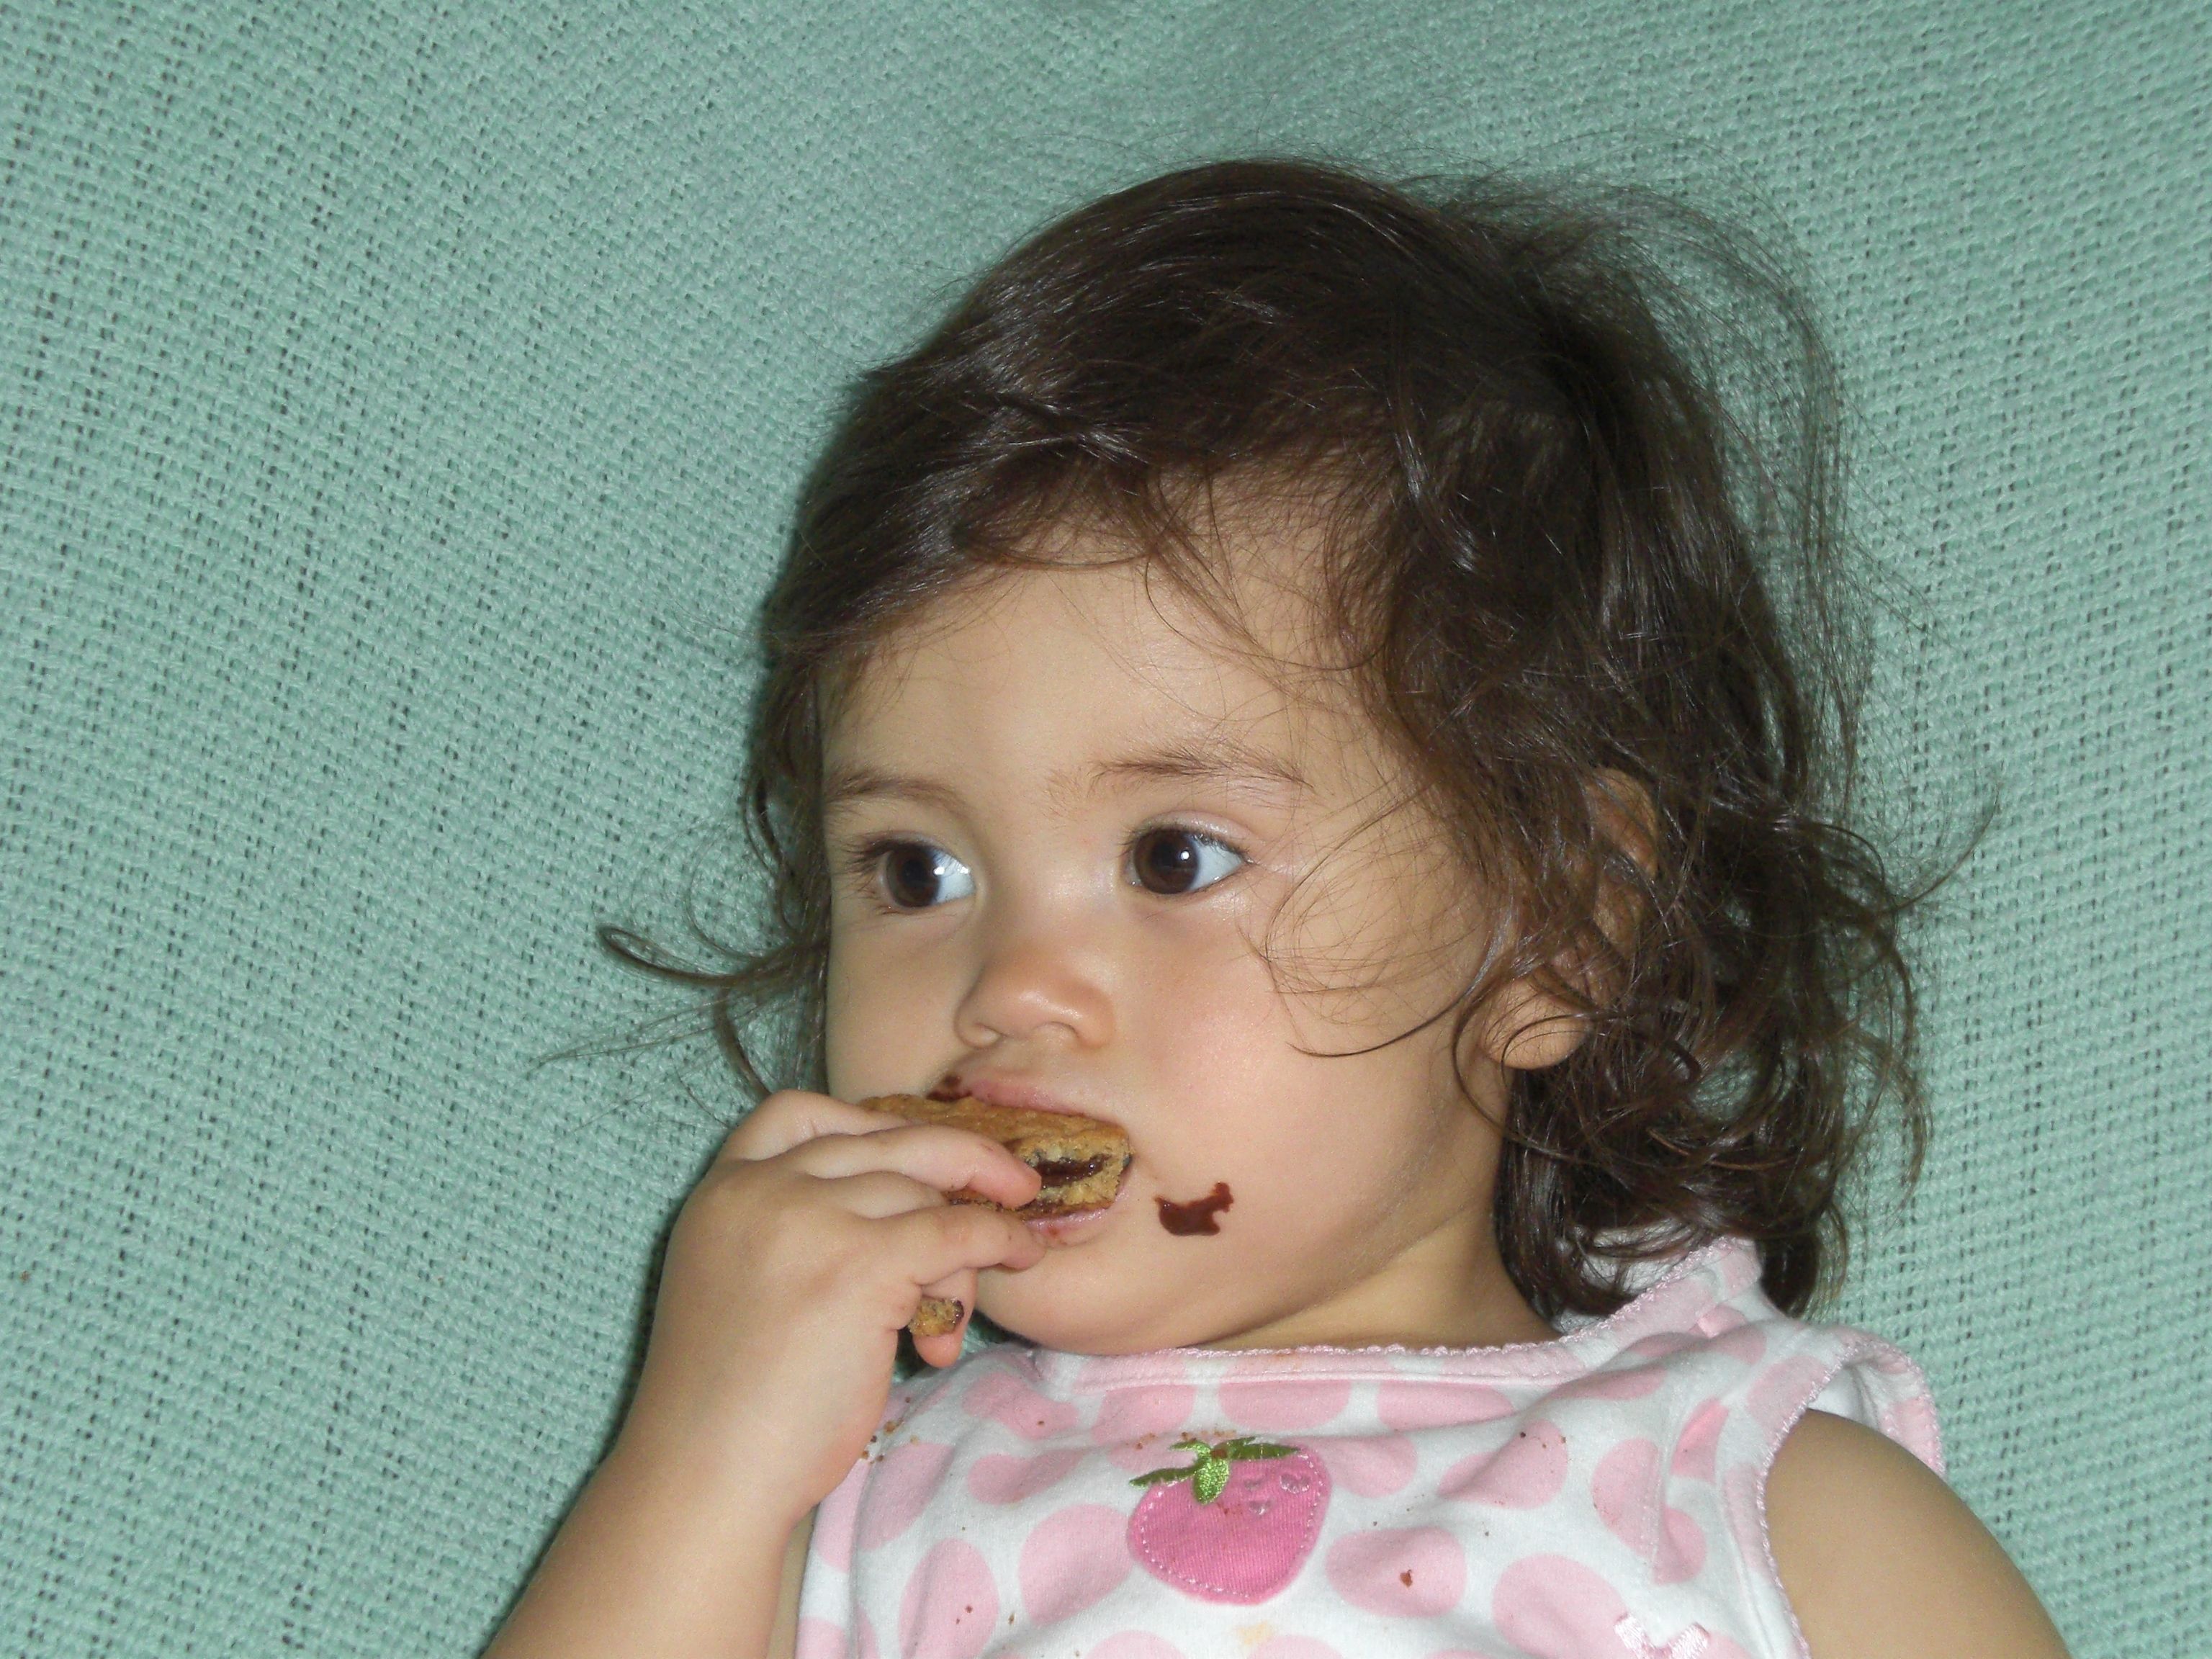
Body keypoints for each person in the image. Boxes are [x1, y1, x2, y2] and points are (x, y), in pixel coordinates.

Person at [483, 159, 2071, 1659]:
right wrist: (701, 1463)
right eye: (917, 872)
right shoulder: (829, 1505)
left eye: (1174, 857)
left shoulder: (1746, 1493)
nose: (1010, 987)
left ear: (1562, 923)